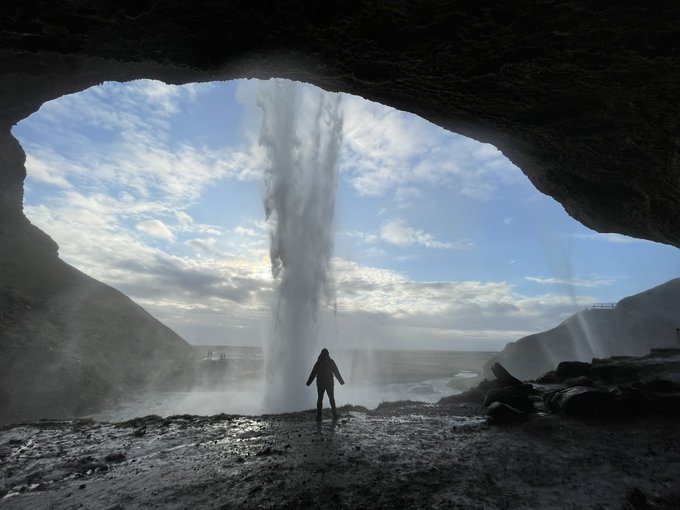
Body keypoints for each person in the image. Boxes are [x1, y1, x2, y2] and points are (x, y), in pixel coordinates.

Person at [306, 348, 345, 421]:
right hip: (329, 383)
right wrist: (341, 381)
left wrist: (308, 383)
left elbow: (313, 373)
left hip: (320, 383)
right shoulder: (330, 362)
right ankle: (334, 414)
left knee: (320, 399)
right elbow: (336, 372)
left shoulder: (318, 362)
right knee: (331, 398)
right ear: (328, 354)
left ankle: (319, 416)